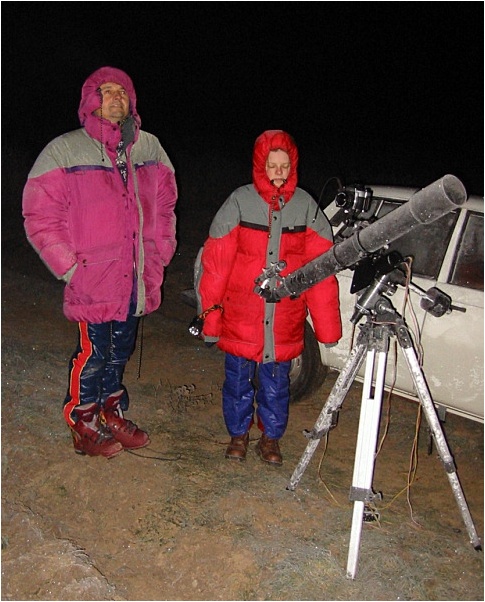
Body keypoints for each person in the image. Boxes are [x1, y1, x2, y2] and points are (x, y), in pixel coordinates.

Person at [22, 66, 178, 459]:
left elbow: (165, 207)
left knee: (120, 350)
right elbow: (40, 214)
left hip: (135, 276)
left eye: (122, 92)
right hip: (93, 276)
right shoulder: (65, 150)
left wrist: (159, 254)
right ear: (91, 101)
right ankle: (83, 420)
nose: (115, 98)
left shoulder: (150, 148)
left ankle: (112, 412)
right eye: (107, 91)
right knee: (93, 353)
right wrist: (70, 267)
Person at [197, 130, 341, 466]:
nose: (278, 171)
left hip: (283, 320)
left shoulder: (306, 207)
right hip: (241, 315)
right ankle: (238, 434)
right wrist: (210, 319)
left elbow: (321, 272)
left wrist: (327, 329)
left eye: (284, 165)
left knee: (276, 385)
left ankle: (270, 438)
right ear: (260, 165)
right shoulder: (239, 202)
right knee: (237, 381)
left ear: (293, 167)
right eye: (272, 165)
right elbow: (215, 266)